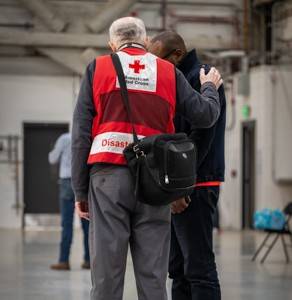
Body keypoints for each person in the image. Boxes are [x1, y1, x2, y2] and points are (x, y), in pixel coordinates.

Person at [72, 17, 223, 300]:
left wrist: (80, 190)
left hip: (107, 178)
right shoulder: (167, 71)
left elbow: (81, 134)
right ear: (144, 42)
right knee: (153, 275)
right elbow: (205, 116)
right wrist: (209, 87)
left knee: (106, 272)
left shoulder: (98, 68)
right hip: (154, 182)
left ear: (112, 45)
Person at [148, 31, 226, 300]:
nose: (152, 65)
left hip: (196, 184)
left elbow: (201, 136)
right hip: (178, 185)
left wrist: (182, 187)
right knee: (177, 269)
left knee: (199, 268)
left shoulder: (202, 78)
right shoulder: (173, 78)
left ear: (177, 55)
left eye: (157, 59)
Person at [48, 132, 90, 270]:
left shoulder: (64, 138)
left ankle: (64, 261)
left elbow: (52, 159)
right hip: (84, 182)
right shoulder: (88, 137)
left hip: (67, 182)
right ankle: (88, 260)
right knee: (87, 224)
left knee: (67, 223)